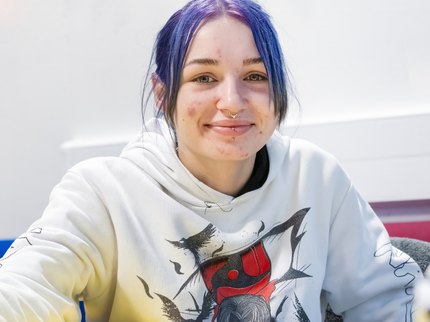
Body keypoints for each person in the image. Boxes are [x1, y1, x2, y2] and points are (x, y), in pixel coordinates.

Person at [0, 0, 423, 321]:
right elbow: (26, 285)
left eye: (255, 77)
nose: (233, 102)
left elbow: (386, 297)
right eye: (204, 77)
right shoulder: (102, 193)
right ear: (164, 94)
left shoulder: (317, 175)